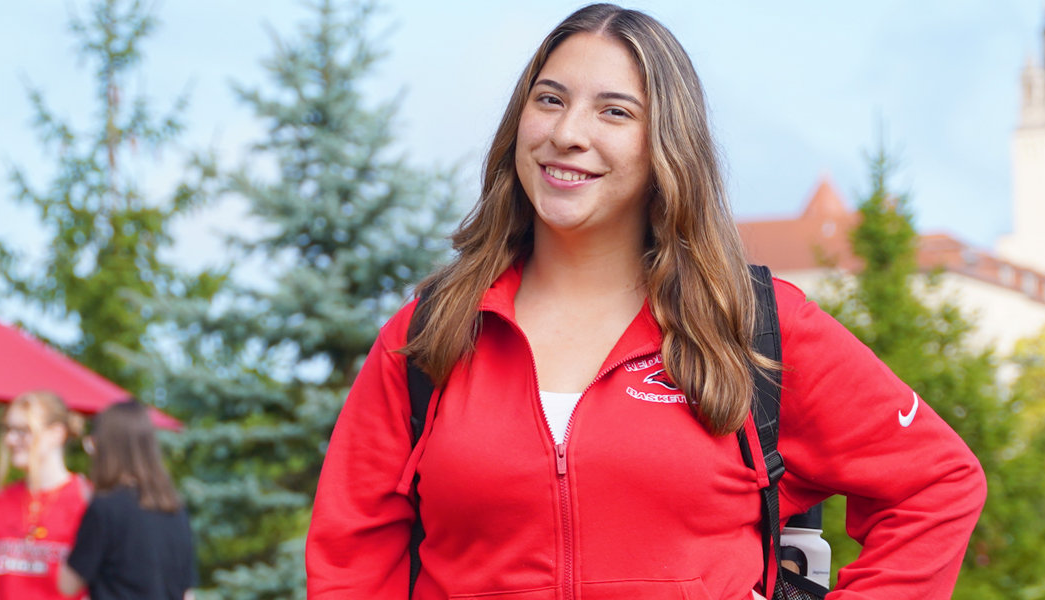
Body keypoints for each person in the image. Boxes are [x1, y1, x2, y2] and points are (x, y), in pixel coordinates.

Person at [305, 4, 987, 600]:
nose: (568, 131)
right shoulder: (426, 337)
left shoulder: (751, 326)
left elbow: (937, 485)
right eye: (549, 100)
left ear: (667, 144)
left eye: (614, 111)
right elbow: (351, 560)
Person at [56, 401, 197, 600]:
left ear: (108, 448)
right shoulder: (175, 509)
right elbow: (187, 594)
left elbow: (67, 584)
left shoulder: (105, 508)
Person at [0, 392, 91, 600]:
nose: (10, 439)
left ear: (56, 433)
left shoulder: (86, 500)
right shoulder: (1, 501)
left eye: (23, 431)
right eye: (8, 430)